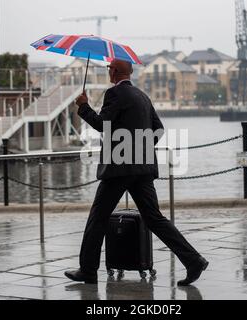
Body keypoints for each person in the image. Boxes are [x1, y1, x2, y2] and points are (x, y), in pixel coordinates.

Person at [64, 59, 208, 286]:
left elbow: (103, 125)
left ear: (115, 72)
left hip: (119, 169)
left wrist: (83, 106)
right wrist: (139, 149)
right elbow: (158, 129)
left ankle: (88, 271)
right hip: (142, 169)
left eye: (109, 69)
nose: (108, 72)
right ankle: (193, 261)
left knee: (98, 218)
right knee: (155, 218)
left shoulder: (115, 95)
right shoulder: (142, 96)